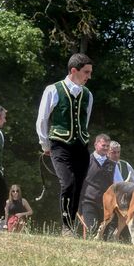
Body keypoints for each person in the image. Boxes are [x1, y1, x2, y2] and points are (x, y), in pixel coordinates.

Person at [36, 53, 94, 236]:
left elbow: (85, 121)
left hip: (81, 146)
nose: (89, 76)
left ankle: (70, 226)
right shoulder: (53, 89)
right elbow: (42, 119)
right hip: (59, 144)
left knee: (77, 185)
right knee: (67, 183)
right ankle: (66, 227)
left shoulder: (88, 94)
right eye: (86, 72)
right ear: (73, 70)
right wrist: (45, 144)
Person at [79, 133, 114, 233]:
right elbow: (79, 184)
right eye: (103, 145)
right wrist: (79, 208)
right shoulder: (86, 161)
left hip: (106, 205)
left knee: (104, 234)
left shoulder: (113, 165)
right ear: (96, 145)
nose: (106, 148)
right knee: (92, 231)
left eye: (107, 146)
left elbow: (118, 185)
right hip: (88, 202)